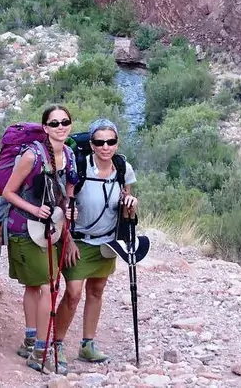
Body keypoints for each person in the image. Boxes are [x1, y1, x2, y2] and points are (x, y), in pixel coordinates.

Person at [53, 118, 138, 372]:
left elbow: (125, 204)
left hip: (107, 241)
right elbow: (63, 205)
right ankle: (56, 344)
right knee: (73, 294)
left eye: (110, 141)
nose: (105, 147)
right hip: (78, 241)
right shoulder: (79, 168)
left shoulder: (123, 168)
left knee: (97, 290)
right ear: (91, 144)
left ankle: (87, 344)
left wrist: (131, 204)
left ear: (116, 142)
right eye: (99, 142)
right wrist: (67, 241)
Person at [2, 104, 78, 374]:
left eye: (65, 122)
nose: (61, 127)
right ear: (45, 127)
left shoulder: (69, 155)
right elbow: (8, 192)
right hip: (24, 228)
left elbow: (67, 193)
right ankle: (41, 350)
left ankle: (31, 338)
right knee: (45, 286)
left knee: (37, 287)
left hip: (51, 229)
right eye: (54, 123)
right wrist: (35, 209)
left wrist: (69, 209)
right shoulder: (31, 156)